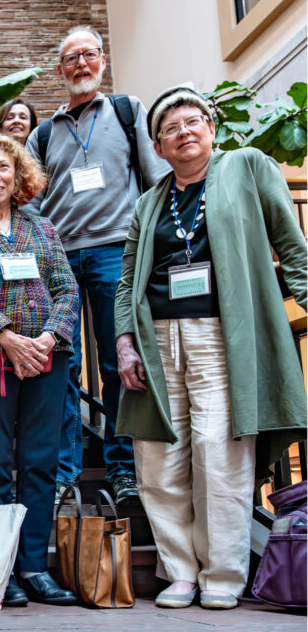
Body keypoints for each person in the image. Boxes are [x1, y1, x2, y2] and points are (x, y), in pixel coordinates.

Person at [114, 85, 307, 610]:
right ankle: (179, 572)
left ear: (211, 127)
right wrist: (125, 340)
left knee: (219, 453)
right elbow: (129, 276)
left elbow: (290, 243)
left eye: (192, 121)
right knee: (157, 459)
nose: (183, 133)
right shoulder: (150, 201)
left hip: (223, 337)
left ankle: (222, 572)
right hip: (157, 341)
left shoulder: (247, 167)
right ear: (158, 147)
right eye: (170, 129)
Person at [24, 25, 170, 504]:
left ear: (102, 61)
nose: (81, 65)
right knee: (62, 367)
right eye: (71, 58)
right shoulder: (43, 132)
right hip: (59, 261)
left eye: (89, 55)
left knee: (118, 363)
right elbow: (26, 200)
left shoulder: (128, 112)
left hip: (116, 253)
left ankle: (123, 469)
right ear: (60, 70)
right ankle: (65, 472)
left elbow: (157, 182)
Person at [0, 134, 79, 607]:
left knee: (41, 461)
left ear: (18, 174)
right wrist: (4, 334)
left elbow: (66, 287)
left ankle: (33, 567)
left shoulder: (42, 226)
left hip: (48, 357)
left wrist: (46, 338)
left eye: (3, 167)